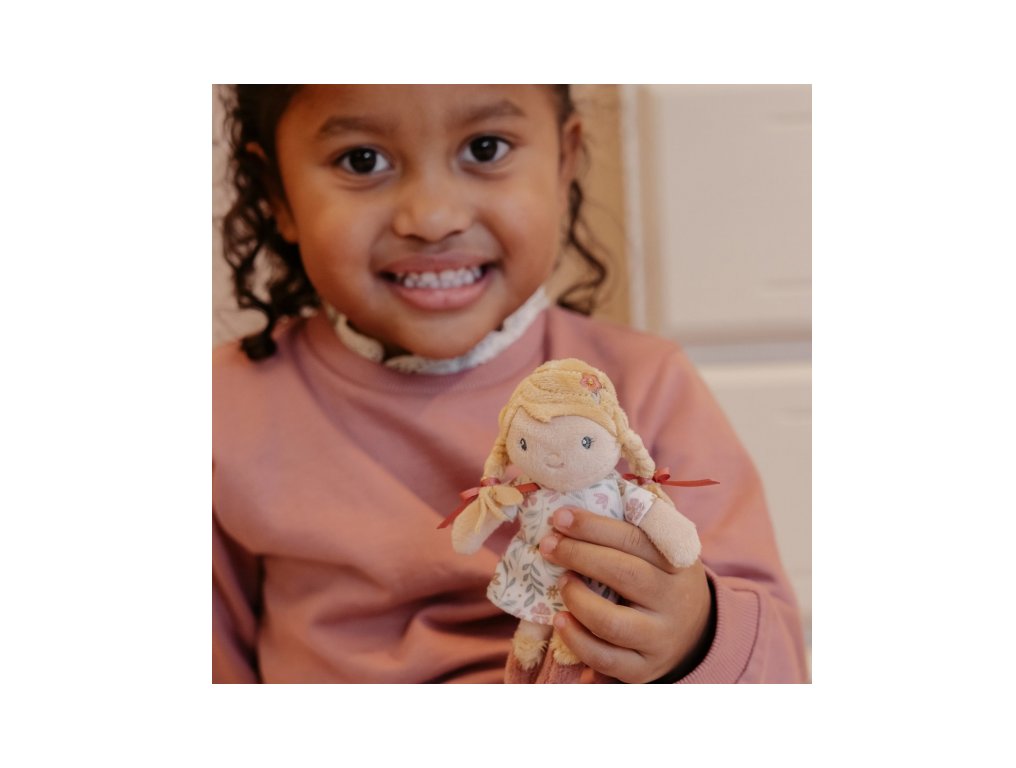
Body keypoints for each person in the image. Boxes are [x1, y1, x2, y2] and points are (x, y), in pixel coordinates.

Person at [213, 84, 807, 683]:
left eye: (486, 148)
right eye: (362, 160)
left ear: (563, 163)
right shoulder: (224, 406)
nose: (433, 218)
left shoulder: (646, 384)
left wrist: (693, 636)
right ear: (277, 193)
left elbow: (778, 665)